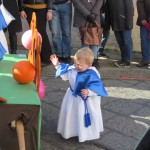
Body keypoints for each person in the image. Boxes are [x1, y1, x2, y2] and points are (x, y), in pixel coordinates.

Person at [50, 47, 108, 142]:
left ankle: (85, 134)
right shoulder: (73, 69)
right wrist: (57, 65)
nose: (76, 66)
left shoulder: (93, 74)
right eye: (75, 63)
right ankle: (71, 131)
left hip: (86, 101)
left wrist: (89, 92)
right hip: (73, 97)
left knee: (82, 116)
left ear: (89, 64)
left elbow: (97, 88)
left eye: (80, 65)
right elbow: (65, 76)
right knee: (72, 115)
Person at [18, 0, 52, 64]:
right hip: (28, 8)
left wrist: (50, 10)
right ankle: (34, 57)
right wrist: (21, 9)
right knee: (33, 33)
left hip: (42, 7)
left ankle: (46, 58)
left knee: (41, 32)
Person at [72, 0, 104, 67]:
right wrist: (87, 15)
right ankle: (84, 60)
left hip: (95, 16)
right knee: (85, 40)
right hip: (82, 16)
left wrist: (94, 13)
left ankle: (93, 60)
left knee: (95, 38)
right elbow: (76, 2)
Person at [105, 0, 134, 67]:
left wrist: (129, 23)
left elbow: (129, 8)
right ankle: (123, 59)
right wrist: (107, 24)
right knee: (120, 42)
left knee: (126, 41)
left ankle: (127, 61)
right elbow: (107, 10)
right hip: (115, 23)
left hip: (125, 22)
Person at [136, 0, 150, 69]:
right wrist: (142, 18)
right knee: (144, 39)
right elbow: (139, 4)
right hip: (145, 20)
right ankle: (146, 60)